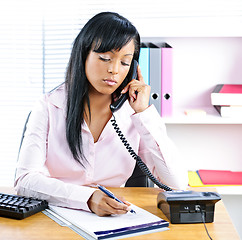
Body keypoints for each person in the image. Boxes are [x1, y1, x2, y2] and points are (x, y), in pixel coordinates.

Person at [14, 12, 188, 217]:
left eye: (124, 62)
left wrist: (144, 113)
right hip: (55, 217)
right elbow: (24, 180)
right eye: (105, 58)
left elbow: (177, 184)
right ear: (83, 55)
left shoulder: (132, 113)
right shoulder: (48, 107)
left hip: (114, 217)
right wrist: (87, 198)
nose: (114, 70)